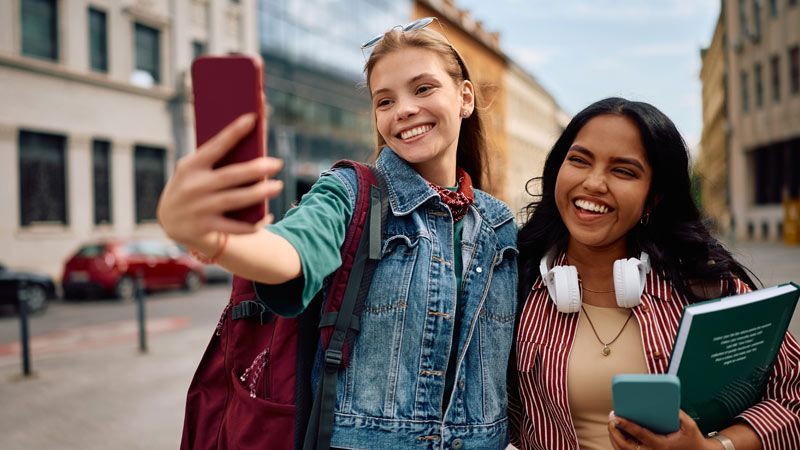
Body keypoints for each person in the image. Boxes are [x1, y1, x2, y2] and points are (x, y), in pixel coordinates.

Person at [158, 18, 518, 449]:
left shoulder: (500, 225)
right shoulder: (349, 191)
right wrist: (218, 239)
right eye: (384, 101)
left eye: (422, 89)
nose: (402, 109)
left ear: (465, 97)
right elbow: (293, 249)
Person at [508, 97, 800, 450]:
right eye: (579, 160)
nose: (594, 183)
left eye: (623, 171)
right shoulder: (511, 285)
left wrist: (711, 448)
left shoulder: (708, 288)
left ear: (654, 198)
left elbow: (793, 396)